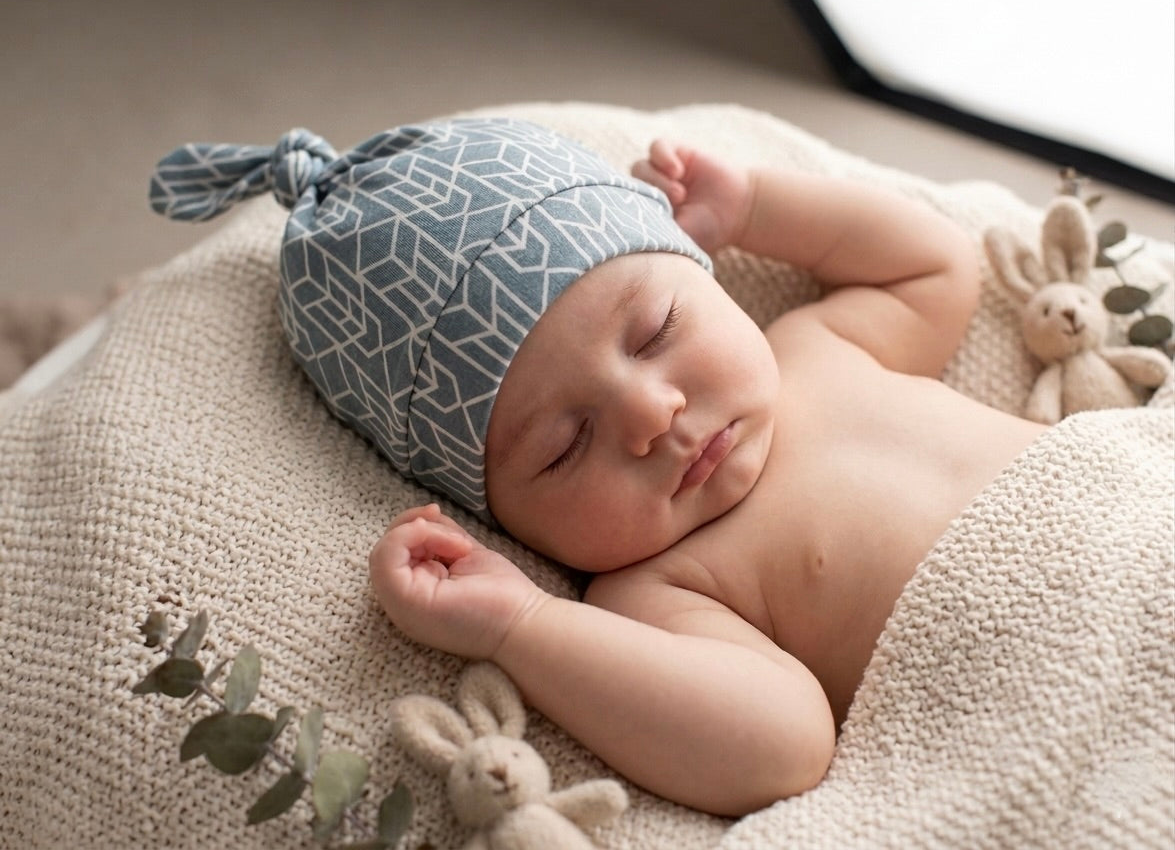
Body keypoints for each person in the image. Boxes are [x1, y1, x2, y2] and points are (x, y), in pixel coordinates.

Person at [149, 118, 1043, 816]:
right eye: (563, 445)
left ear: (709, 280)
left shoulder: (815, 347)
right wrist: (519, 626)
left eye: (657, 330)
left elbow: (934, 266)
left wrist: (757, 208)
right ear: (499, 514)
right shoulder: (658, 588)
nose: (653, 413)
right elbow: (779, 745)